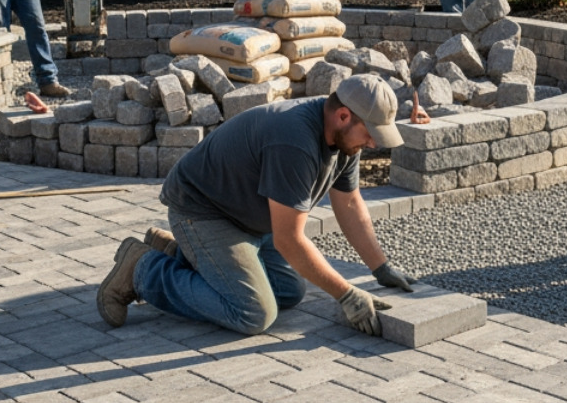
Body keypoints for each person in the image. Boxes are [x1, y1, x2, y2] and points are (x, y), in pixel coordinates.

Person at [96, 74, 416, 336]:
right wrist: (347, 294)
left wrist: (380, 267)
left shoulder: (345, 141)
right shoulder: (296, 141)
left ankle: (176, 253)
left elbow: (349, 204)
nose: (373, 144)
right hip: (203, 211)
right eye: (370, 133)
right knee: (253, 312)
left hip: (246, 218)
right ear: (343, 115)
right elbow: (288, 239)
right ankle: (143, 270)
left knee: (290, 292)